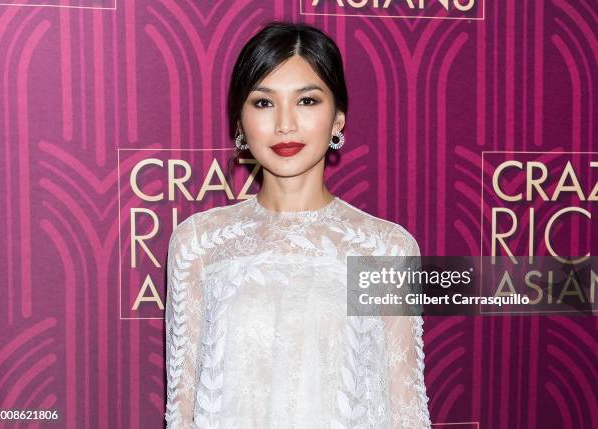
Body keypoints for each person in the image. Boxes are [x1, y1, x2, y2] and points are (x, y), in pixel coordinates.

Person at [164, 21, 431, 429]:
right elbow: (182, 411)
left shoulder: (385, 248)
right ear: (240, 122)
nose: (285, 124)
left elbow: (405, 408)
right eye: (264, 103)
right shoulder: (200, 243)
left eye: (307, 101)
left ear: (338, 118)